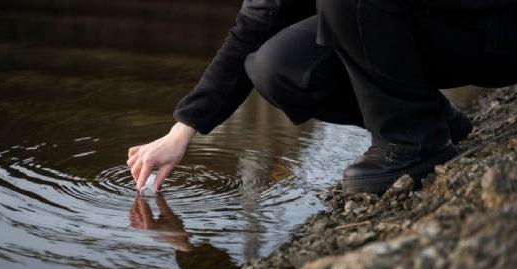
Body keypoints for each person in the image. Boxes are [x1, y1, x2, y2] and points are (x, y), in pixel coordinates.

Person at [127, 0, 517, 195]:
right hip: (423, 31)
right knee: (278, 66)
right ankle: (431, 119)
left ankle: (412, 141)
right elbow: (257, 22)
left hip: (491, 32)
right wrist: (183, 131)